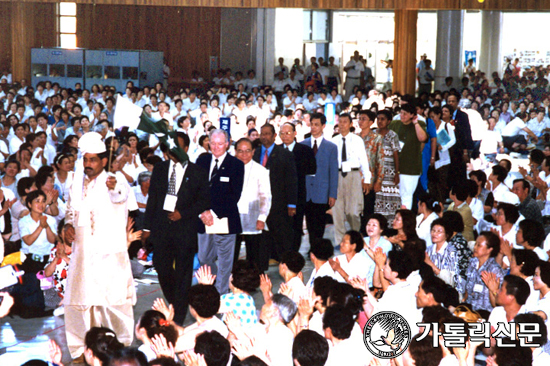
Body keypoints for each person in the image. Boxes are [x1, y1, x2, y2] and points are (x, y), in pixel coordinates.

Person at [64, 132, 136, 362]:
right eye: (85, 159)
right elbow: (69, 210)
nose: (88, 164)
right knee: (81, 303)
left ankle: (118, 349)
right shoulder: (75, 182)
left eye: (93, 160)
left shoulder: (115, 180)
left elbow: (120, 196)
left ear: (104, 161)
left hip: (108, 257)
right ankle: (82, 351)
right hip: (82, 256)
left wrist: (113, 186)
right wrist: (66, 226)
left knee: (111, 304)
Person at [144, 131, 210, 325]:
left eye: (178, 147)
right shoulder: (160, 169)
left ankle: (178, 315)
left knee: (183, 273)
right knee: (162, 268)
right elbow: (153, 200)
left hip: (185, 229)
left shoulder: (197, 172)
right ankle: (176, 302)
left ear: (186, 149)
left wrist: (184, 212)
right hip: (161, 228)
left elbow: (204, 200)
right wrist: (147, 228)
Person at [196, 129, 244, 295]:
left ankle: (221, 295)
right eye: (213, 143)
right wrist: (204, 211)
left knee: (225, 262)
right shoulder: (201, 161)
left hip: (225, 220)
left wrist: (213, 213)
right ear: (208, 143)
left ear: (227, 144)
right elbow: (196, 190)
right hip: (203, 219)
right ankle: (213, 285)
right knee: (203, 258)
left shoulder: (236, 165)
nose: (216, 147)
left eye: (220, 144)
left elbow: (234, 195)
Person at [253, 124, 297, 265]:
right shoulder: (254, 152)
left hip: (279, 202)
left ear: (274, 136)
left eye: (267, 134)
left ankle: (286, 264)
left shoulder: (285, 154)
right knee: (261, 236)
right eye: (262, 134)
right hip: (258, 202)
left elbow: (291, 180)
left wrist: (291, 204)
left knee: (281, 235)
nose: (264, 137)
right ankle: (262, 265)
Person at [331, 113, 371, 245]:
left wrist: (367, 179)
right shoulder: (333, 141)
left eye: (345, 122)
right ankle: (340, 241)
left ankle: (355, 238)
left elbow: (364, 161)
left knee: (353, 212)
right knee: (337, 211)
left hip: (353, 175)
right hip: (337, 176)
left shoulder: (357, 140)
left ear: (350, 124)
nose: (342, 124)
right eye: (340, 122)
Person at [234, 138, 271, 272]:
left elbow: (265, 196)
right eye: (240, 151)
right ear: (235, 152)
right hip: (233, 216)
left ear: (253, 152)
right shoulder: (230, 167)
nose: (244, 154)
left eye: (247, 151)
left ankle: (252, 281)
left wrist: (262, 217)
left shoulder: (260, 170)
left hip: (253, 216)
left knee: (253, 255)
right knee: (232, 253)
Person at [301, 113, 338, 245]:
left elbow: (333, 172)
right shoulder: (302, 145)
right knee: (309, 222)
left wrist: (332, 194)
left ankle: (317, 246)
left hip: (322, 191)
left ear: (323, 126)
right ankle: (312, 246)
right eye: (312, 124)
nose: (314, 127)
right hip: (306, 191)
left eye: (317, 124)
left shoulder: (331, 147)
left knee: (320, 222)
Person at [280, 122, 316, 251]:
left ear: (295, 133)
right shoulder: (277, 150)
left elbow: (312, 169)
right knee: (281, 226)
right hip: (279, 196)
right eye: (282, 133)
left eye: (288, 133)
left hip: (298, 194)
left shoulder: (304, 150)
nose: (285, 136)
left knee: (296, 225)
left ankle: (293, 252)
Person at [389, 103, 428, 209]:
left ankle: (404, 221)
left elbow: (423, 138)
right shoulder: (395, 124)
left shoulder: (420, 123)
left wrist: (415, 123)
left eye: (405, 114)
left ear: (412, 115)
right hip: (395, 167)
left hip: (410, 168)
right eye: (401, 113)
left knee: (406, 196)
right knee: (394, 196)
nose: (402, 115)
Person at [460, 231, 505, 312]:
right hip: (468, 308)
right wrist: (464, 300)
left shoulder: (494, 270)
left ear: (489, 250)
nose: (475, 247)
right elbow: (468, 287)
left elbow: (497, 303)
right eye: (475, 244)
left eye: (479, 245)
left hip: (484, 312)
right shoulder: (472, 262)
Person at [358, 110, 384, 231]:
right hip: (354, 179)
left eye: (363, 119)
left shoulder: (377, 138)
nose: (360, 121)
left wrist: (379, 180)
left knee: (367, 208)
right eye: (359, 118)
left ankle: (366, 233)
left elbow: (380, 160)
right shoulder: (355, 137)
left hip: (369, 179)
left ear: (371, 122)